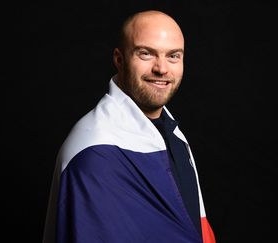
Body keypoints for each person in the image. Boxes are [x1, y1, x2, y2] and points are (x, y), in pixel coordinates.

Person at [43, 10, 216, 243]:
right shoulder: (94, 150)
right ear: (119, 59)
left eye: (173, 56)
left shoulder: (172, 134)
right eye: (146, 54)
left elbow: (197, 229)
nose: (162, 68)